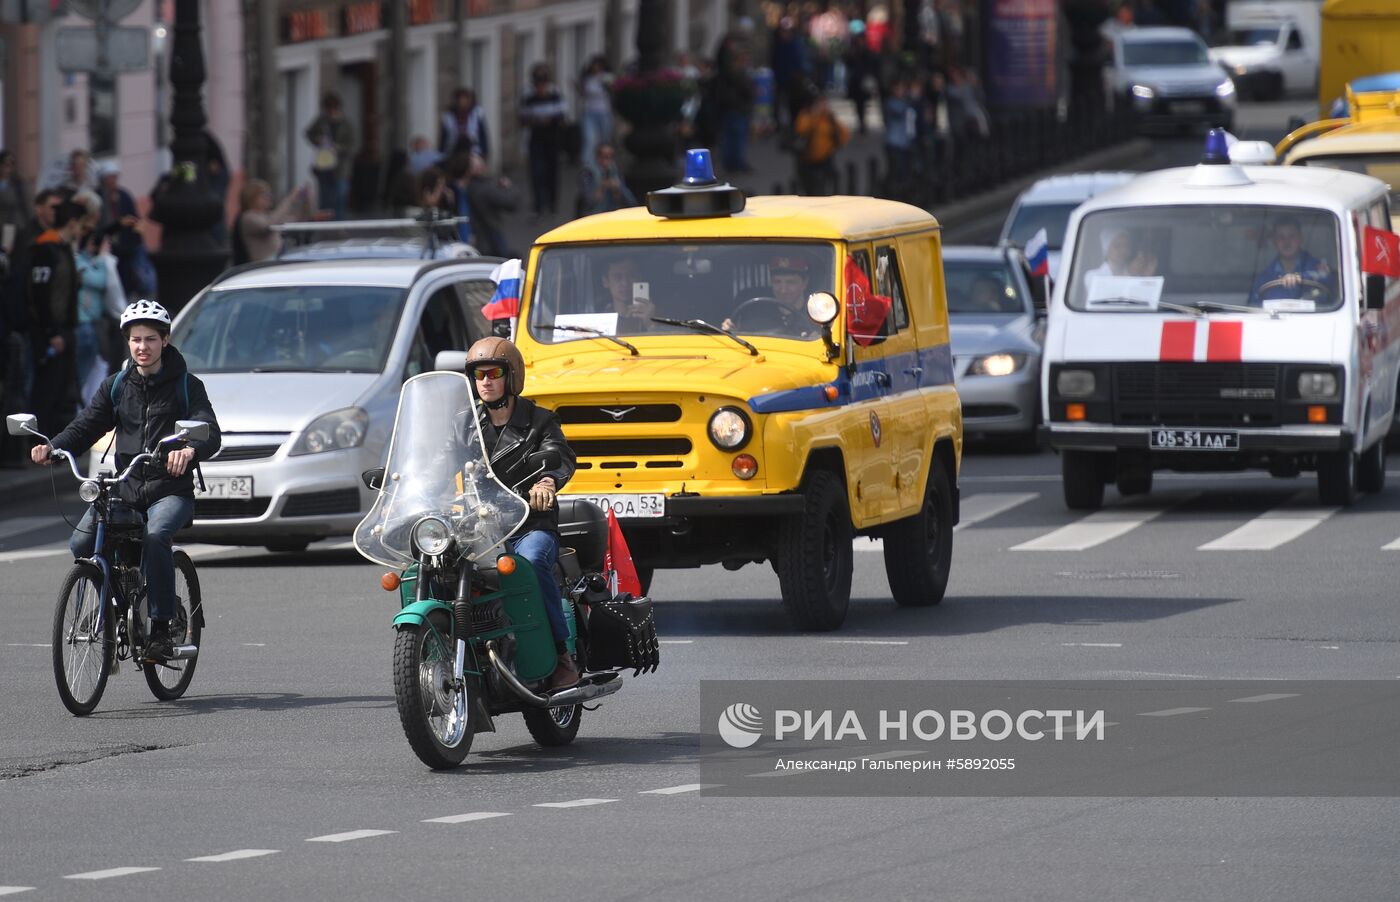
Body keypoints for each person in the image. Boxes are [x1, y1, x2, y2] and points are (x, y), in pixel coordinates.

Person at [30, 300, 221, 659]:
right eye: (135, 340)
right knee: (81, 545)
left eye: (150, 339)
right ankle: (114, 599)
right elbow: (87, 424)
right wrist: (52, 447)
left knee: (156, 535)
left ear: (165, 340)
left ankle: (162, 628)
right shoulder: (117, 386)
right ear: (128, 343)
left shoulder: (187, 385)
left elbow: (210, 432)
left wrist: (189, 450)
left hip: (170, 489)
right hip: (126, 487)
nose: (142, 347)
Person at [462, 337, 579, 690]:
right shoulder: (463, 425)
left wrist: (546, 482)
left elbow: (561, 456)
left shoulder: (539, 421)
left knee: (529, 562)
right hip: (478, 527)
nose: (486, 381)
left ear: (511, 377)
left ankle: (561, 655)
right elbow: (434, 461)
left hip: (529, 524)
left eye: (494, 372)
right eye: (478, 374)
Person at [27, 198, 83, 437]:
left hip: (64, 329)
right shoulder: (45, 248)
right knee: (47, 389)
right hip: (51, 332)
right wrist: (52, 333)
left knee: (61, 388)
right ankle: (41, 439)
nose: (81, 231)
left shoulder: (61, 248)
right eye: (80, 225)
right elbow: (40, 295)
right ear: (72, 223)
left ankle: (57, 438)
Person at [722, 254, 816, 335]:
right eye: (777, 282)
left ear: (805, 283)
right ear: (771, 282)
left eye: (791, 282)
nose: (783, 290)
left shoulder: (817, 314)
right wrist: (731, 331)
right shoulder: (754, 310)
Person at [519, 65, 567, 219]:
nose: (540, 86)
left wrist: (550, 119)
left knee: (552, 170)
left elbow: (562, 114)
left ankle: (552, 202)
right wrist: (535, 120)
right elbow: (522, 117)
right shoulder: (528, 95)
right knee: (536, 172)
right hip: (537, 137)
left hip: (552, 137)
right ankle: (538, 204)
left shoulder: (554, 93)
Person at [1251, 217, 1335, 304]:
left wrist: (1300, 277)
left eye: (1291, 236)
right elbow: (1253, 307)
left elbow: (1327, 283)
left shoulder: (1318, 269)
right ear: (1274, 241)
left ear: (1300, 238)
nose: (1286, 242)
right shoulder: (1264, 278)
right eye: (1281, 237)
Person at [233, 180, 310, 265]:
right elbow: (268, 225)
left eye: (269, 194)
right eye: (264, 195)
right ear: (252, 198)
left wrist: (306, 202)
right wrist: (290, 199)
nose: (269, 197)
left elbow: (297, 219)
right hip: (265, 262)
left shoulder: (266, 215)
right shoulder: (247, 217)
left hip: (278, 257)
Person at [305, 92, 355, 220]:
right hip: (323, 165)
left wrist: (338, 148)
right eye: (329, 108)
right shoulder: (321, 121)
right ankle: (326, 224)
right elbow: (309, 133)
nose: (331, 111)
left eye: (334, 108)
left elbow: (352, 145)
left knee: (340, 195)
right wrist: (318, 140)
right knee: (325, 197)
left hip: (340, 167)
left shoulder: (345, 123)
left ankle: (339, 223)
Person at [792, 93, 850, 197]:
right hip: (807, 160)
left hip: (825, 159)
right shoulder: (806, 115)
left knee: (826, 187)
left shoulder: (829, 119)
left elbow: (844, 135)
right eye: (820, 104)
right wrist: (814, 116)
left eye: (825, 104)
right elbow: (801, 130)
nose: (823, 107)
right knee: (809, 190)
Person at [465, 154, 520, 258]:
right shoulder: (483, 189)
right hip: (489, 238)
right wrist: (509, 187)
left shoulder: (470, 187)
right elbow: (510, 203)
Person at [593, 255, 656, 330]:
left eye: (632, 276)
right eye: (618, 277)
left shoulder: (656, 314)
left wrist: (651, 324)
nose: (625, 283)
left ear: (639, 278)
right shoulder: (599, 319)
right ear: (605, 282)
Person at [576, 143, 636, 216]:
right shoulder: (588, 173)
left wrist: (618, 188)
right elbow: (587, 202)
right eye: (604, 156)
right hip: (593, 217)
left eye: (610, 156)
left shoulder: (615, 171)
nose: (607, 160)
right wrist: (601, 187)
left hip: (612, 215)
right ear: (597, 157)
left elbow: (631, 201)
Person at [577, 56, 615, 166]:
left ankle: (605, 162)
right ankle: (587, 163)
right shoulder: (587, 79)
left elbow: (611, 90)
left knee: (604, 139)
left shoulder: (606, 77)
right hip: (589, 112)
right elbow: (583, 94)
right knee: (589, 139)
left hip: (603, 112)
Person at [440, 87, 490, 160]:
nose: (462, 102)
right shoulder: (448, 116)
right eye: (460, 99)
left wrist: (484, 151)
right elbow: (444, 137)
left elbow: (482, 134)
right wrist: (441, 153)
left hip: (473, 151)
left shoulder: (477, 113)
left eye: (465, 99)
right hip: (453, 150)